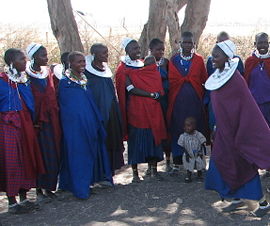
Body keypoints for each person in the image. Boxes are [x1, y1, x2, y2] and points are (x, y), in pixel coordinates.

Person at [205, 39, 270, 217]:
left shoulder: (236, 80)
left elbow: (246, 109)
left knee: (243, 167)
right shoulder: (218, 78)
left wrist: (237, 132)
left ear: (227, 57)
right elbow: (220, 108)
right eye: (212, 56)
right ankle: (234, 199)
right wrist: (217, 126)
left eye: (216, 56)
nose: (213, 59)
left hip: (236, 134)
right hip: (223, 132)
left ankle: (263, 204)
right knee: (222, 162)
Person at [58, 51, 112, 199]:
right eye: (78, 62)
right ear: (70, 63)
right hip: (75, 128)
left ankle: (89, 182)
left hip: (89, 124)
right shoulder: (65, 83)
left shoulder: (83, 80)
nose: (82, 64)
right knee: (78, 154)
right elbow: (69, 109)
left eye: (83, 61)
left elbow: (88, 103)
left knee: (90, 152)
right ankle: (79, 187)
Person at [0, 48, 45, 214]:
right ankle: (12, 202)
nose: (24, 62)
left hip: (25, 124)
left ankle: (24, 197)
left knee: (26, 159)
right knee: (12, 162)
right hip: (8, 126)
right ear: (11, 61)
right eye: (21, 59)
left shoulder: (23, 80)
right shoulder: (2, 80)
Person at [115, 38, 167, 182]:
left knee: (153, 137)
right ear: (126, 51)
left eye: (138, 48)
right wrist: (151, 94)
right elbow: (130, 89)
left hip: (152, 108)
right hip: (136, 111)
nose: (137, 51)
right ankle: (135, 174)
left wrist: (155, 92)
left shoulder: (143, 64)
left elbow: (153, 78)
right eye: (134, 49)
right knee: (136, 139)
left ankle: (153, 170)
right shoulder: (123, 69)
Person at [167, 31, 207, 173]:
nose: (187, 45)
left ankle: (199, 162)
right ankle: (178, 162)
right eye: (185, 42)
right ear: (180, 43)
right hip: (178, 102)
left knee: (196, 128)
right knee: (179, 128)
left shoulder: (199, 60)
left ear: (194, 44)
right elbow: (171, 80)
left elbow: (203, 79)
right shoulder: (174, 60)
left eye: (190, 42)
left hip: (194, 101)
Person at [25, 43, 61, 201]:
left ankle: (49, 186)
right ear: (33, 57)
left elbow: (52, 96)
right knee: (39, 154)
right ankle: (39, 189)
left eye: (46, 55)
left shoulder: (47, 73)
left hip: (51, 120)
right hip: (36, 123)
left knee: (51, 152)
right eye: (42, 56)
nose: (46, 58)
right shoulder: (26, 76)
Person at [84, 43, 124, 175]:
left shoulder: (105, 70)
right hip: (98, 111)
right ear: (94, 54)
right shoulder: (88, 73)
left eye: (107, 52)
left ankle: (111, 170)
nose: (106, 55)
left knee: (112, 137)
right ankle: (100, 172)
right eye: (103, 53)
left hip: (111, 110)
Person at [205, 31, 244, 135]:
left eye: (226, 42)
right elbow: (209, 80)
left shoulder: (237, 61)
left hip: (232, 102)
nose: (223, 46)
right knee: (215, 131)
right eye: (220, 43)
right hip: (215, 102)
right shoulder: (211, 60)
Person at [149, 38, 171, 172]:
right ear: (151, 50)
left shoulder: (166, 63)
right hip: (152, 102)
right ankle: (153, 164)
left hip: (165, 100)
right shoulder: (145, 63)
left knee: (167, 130)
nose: (161, 52)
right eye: (158, 50)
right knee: (154, 131)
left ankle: (168, 161)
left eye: (163, 50)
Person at [244, 32, 270, 127]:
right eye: (260, 43)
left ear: (268, 44)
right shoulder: (250, 61)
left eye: (265, 42)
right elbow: (246, 83)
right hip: (254, 104)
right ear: (255, 44)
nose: (262, 45)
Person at [177, 117, 206, 183]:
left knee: (199, 164)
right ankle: (188, 175)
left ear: (194, 126)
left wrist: (201, 152)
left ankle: (199, 174)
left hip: (198, 153)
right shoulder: (183, 136)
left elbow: (202, 143)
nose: (186, 127)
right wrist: (186, 153)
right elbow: (182, 146)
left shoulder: (198, 134)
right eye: (185, 125)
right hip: (188, 154)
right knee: (188, 164)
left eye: (189, 126)